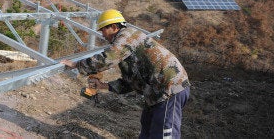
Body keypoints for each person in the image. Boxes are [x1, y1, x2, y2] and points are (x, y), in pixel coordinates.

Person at [61, 9, 190, 138]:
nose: (102, 35)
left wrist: (77, 65)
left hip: (170, 88)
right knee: (147, 127)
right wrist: (103, 85)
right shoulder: (126, 44)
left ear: (113, 27)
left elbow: (109, 57)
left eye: (103, 30)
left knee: (163, 133)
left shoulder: (127, 36)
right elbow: (131, 81)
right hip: (156, 91)